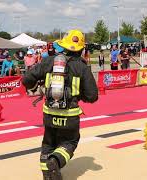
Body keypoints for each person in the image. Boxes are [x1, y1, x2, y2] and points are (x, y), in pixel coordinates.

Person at [22, 29, 98, 180]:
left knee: (48, 144)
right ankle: (55, 161)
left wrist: (35, 88)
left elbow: (26, 79)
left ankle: (48, 175)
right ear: (81, 49)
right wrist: (79, 94)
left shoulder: (49, 61)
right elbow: (92, 96)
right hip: (70, 116)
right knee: (70, 142)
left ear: (63, 46)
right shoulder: (82, 67)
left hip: (49, 113)